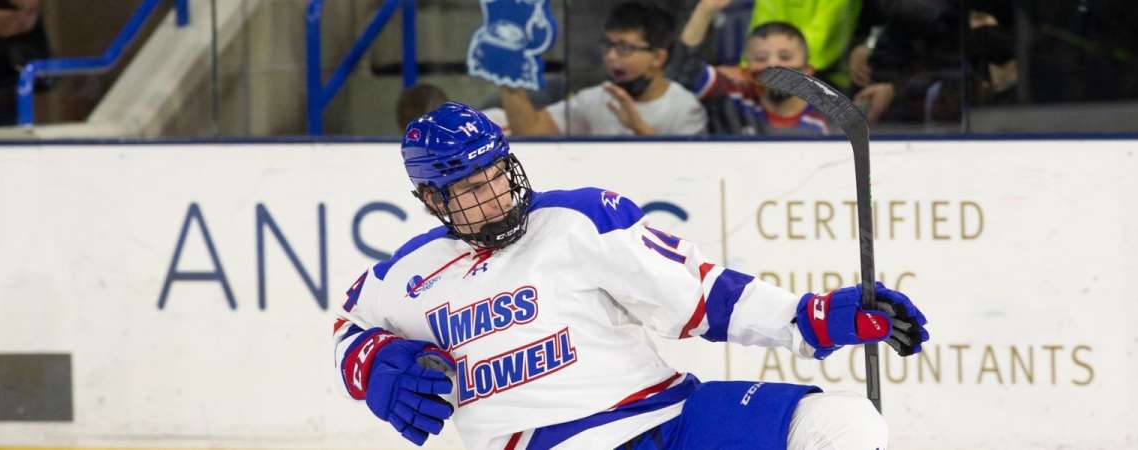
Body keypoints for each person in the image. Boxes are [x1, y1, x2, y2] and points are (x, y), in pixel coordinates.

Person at [330, 102, 930, 449]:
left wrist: (813, 319)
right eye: (468, 188)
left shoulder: (577, 219)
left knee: (843, 423)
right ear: (433, 199)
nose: (494, 196)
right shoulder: (409, 275)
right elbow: (349, 328)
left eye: (496, 173)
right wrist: (374, 361)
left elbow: (703, 296)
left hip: (668, 419)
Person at [497, 1, 707, 136]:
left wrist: (639, 128)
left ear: (658, 57)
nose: (611, 56)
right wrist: (510, 80)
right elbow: (532, 131)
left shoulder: (686, 109)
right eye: (609, 45)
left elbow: (691, 174)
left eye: (625, 48)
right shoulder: (595, 99)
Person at [671, 0, 830, 135]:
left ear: (808, 71)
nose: (773, 65)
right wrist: (704, 10)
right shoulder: (731, 99)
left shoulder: (831, 122)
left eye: (785, 57)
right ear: (746, 71)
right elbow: (683, 71)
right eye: (761, 58)